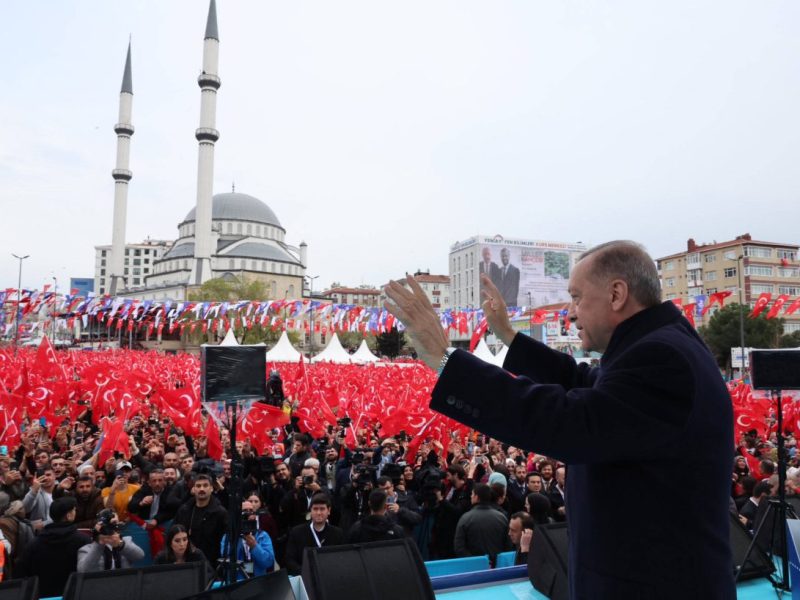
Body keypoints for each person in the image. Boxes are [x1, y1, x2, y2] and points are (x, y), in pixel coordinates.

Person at [384, 240, 735, 599]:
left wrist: (447, 361)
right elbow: (584, 382)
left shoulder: (661, 359)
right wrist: (509, 337)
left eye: (577, 297)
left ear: (617, 294)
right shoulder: (657, 345)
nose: (570, 313)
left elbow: (567, 421)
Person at [17, 497, 91, 597]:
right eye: (74, 510)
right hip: (75, 594)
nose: (75, 512)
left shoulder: (34, 544)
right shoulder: (83, 540)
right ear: (69, 515)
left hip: (42, 595)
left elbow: (22, 573)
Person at [174, 474, 228, 564]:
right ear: (194, 489)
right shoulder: (184, 510)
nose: (201, 489)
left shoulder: (220, 513)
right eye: (198, 486)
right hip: (187, 562)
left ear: (211, 488)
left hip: (212, 564)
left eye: (205, 485)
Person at [285, 493, 344, 576]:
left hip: (330, 578)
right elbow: (290, 560)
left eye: (322, 509)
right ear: (310, 511)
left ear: (329, 510)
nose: (318, 513)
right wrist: (306, 573)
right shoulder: (296, 532)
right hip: (305, 579)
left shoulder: (337, 533)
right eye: (315, 509)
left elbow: (341, 559)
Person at [453, 483, 510, 563]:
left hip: (474, 568)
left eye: (472, 494)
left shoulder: (465, 518)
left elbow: (459, 547)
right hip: (498, 567)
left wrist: (477, 562)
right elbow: (508, 544)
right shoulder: (502, 517)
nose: (471, 496)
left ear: (476, 497)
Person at [218, 500, 275, 578]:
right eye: (244, 511)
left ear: (255, 515)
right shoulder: (228, 536)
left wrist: (255, 546)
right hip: (237, 582)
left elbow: (268, 562)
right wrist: (237, 537)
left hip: (258, 582)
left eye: (251, 511)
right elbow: (227, 561)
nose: (248, 514)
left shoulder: (262, 535)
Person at [77, 509, 145, 571]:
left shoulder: (126, 540)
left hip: (124, 582)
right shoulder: (87, 548)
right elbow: (83, 570)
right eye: (106, 525)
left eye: (114, 524)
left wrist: (120, 544)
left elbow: (140, 556)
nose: (110, 528)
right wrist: (99, 543)